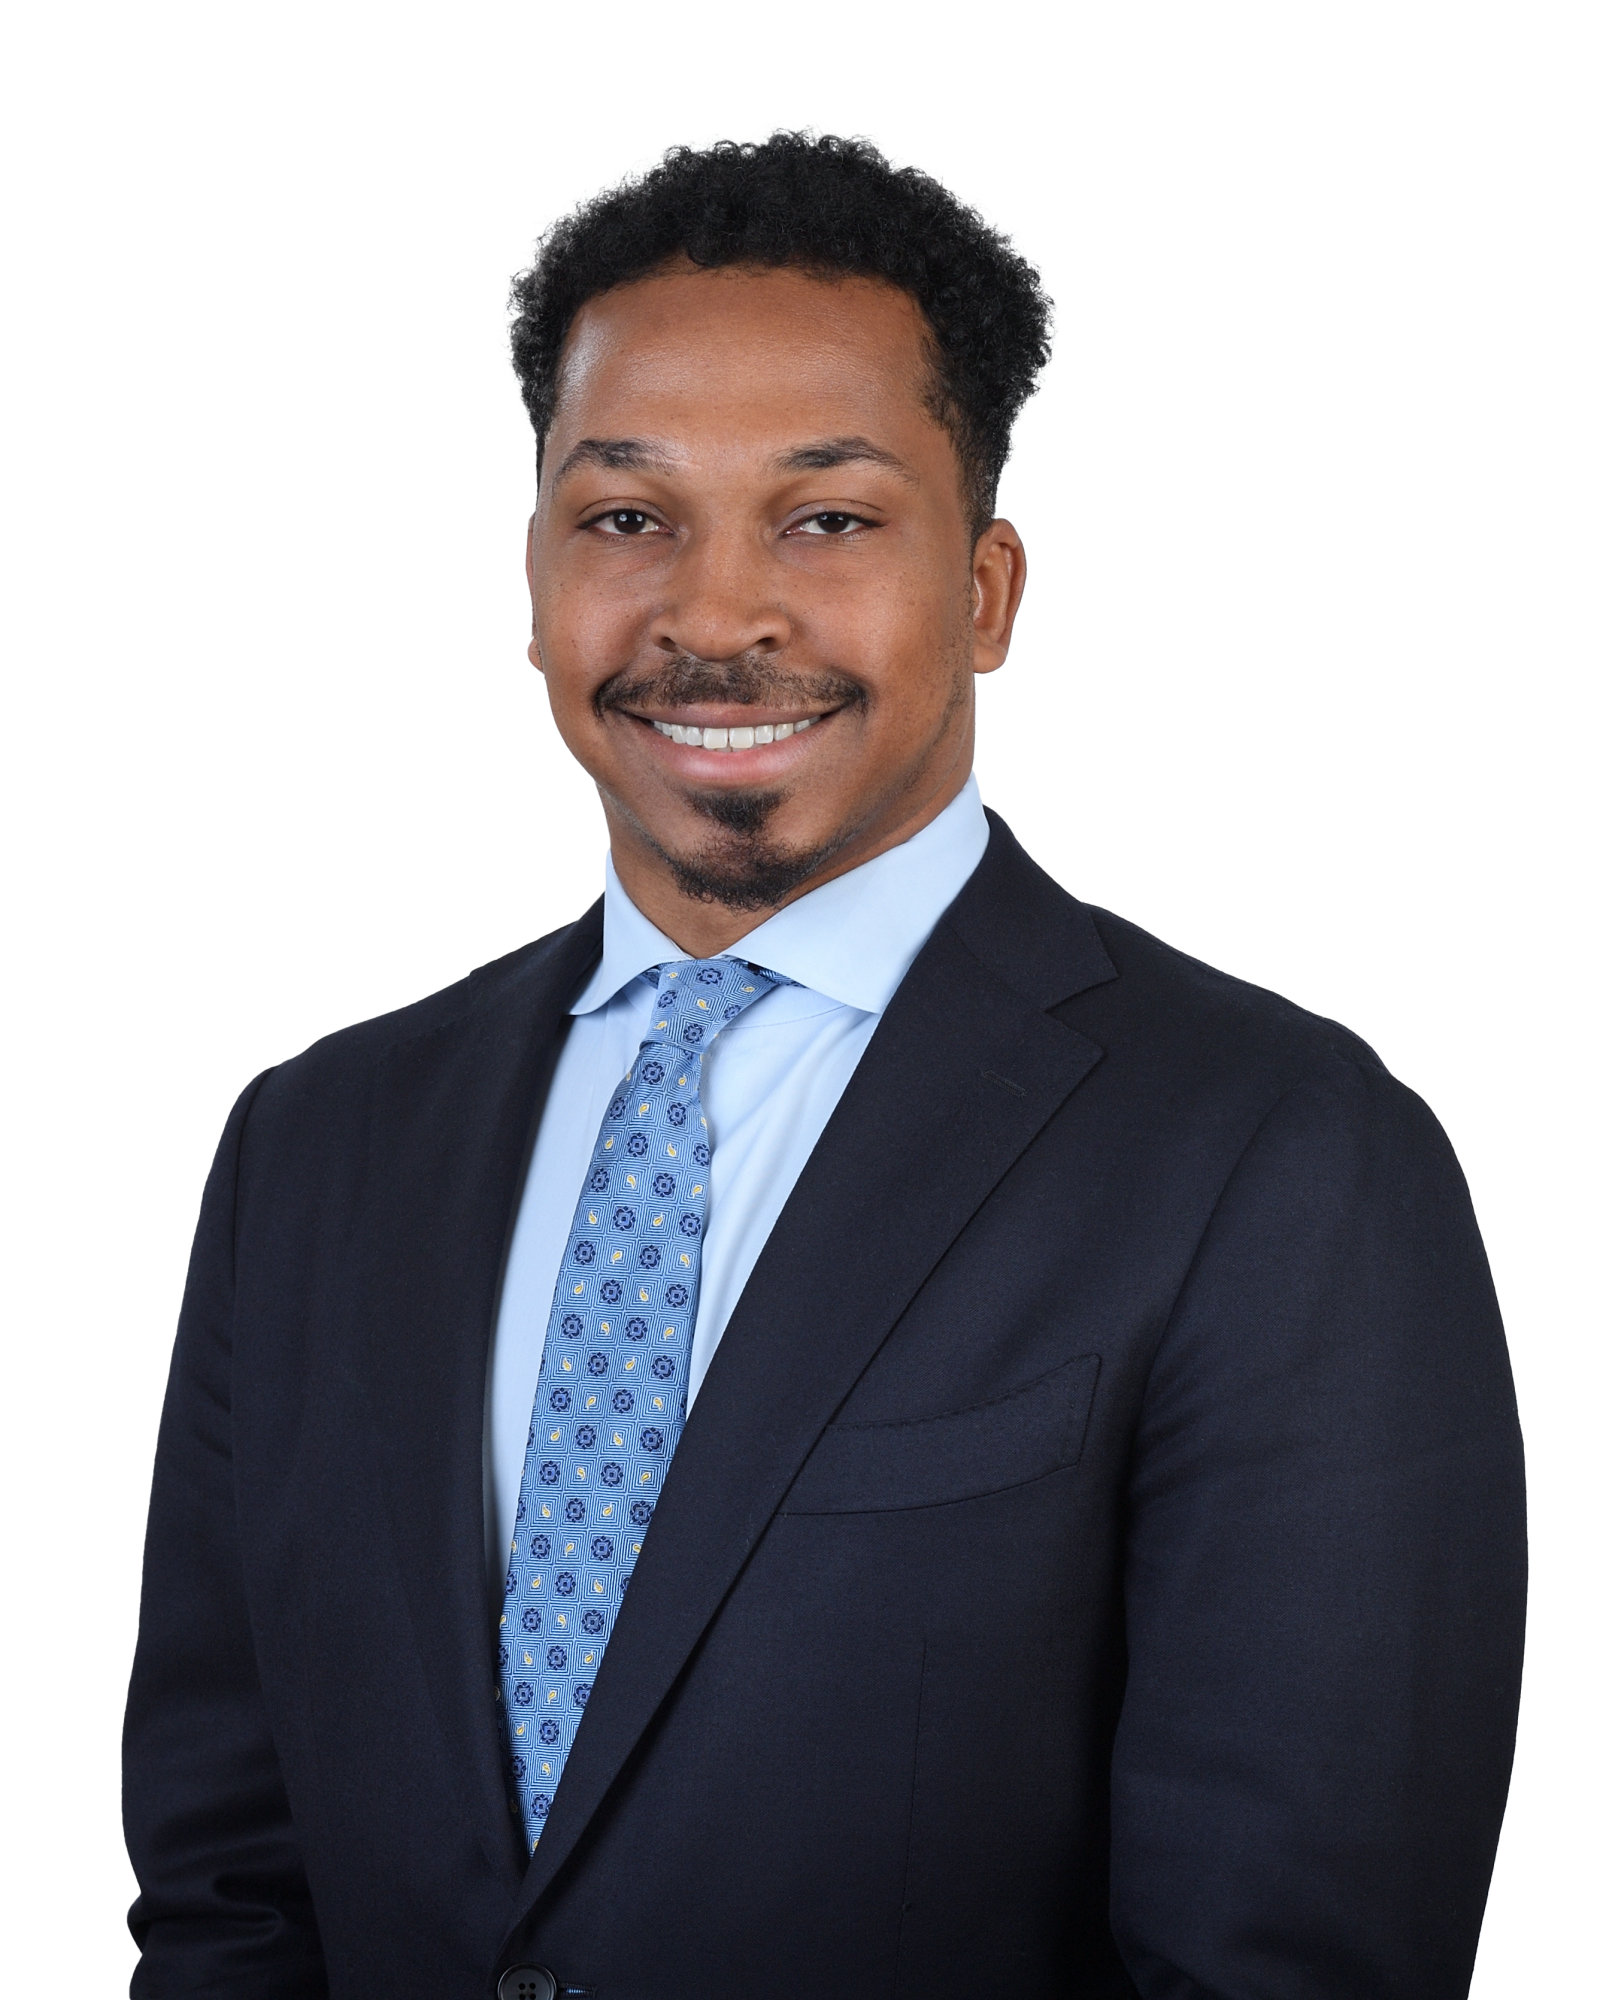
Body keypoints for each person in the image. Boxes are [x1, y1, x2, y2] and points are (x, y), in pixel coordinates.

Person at [122, 122, 1526, 2000]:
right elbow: (227, 1885)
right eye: (628, 519)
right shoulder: (314, 1142)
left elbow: (1293, 1967)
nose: (715, 619)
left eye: (830, 519)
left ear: (988, 592)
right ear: (533, 576)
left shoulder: (1282, 1153)